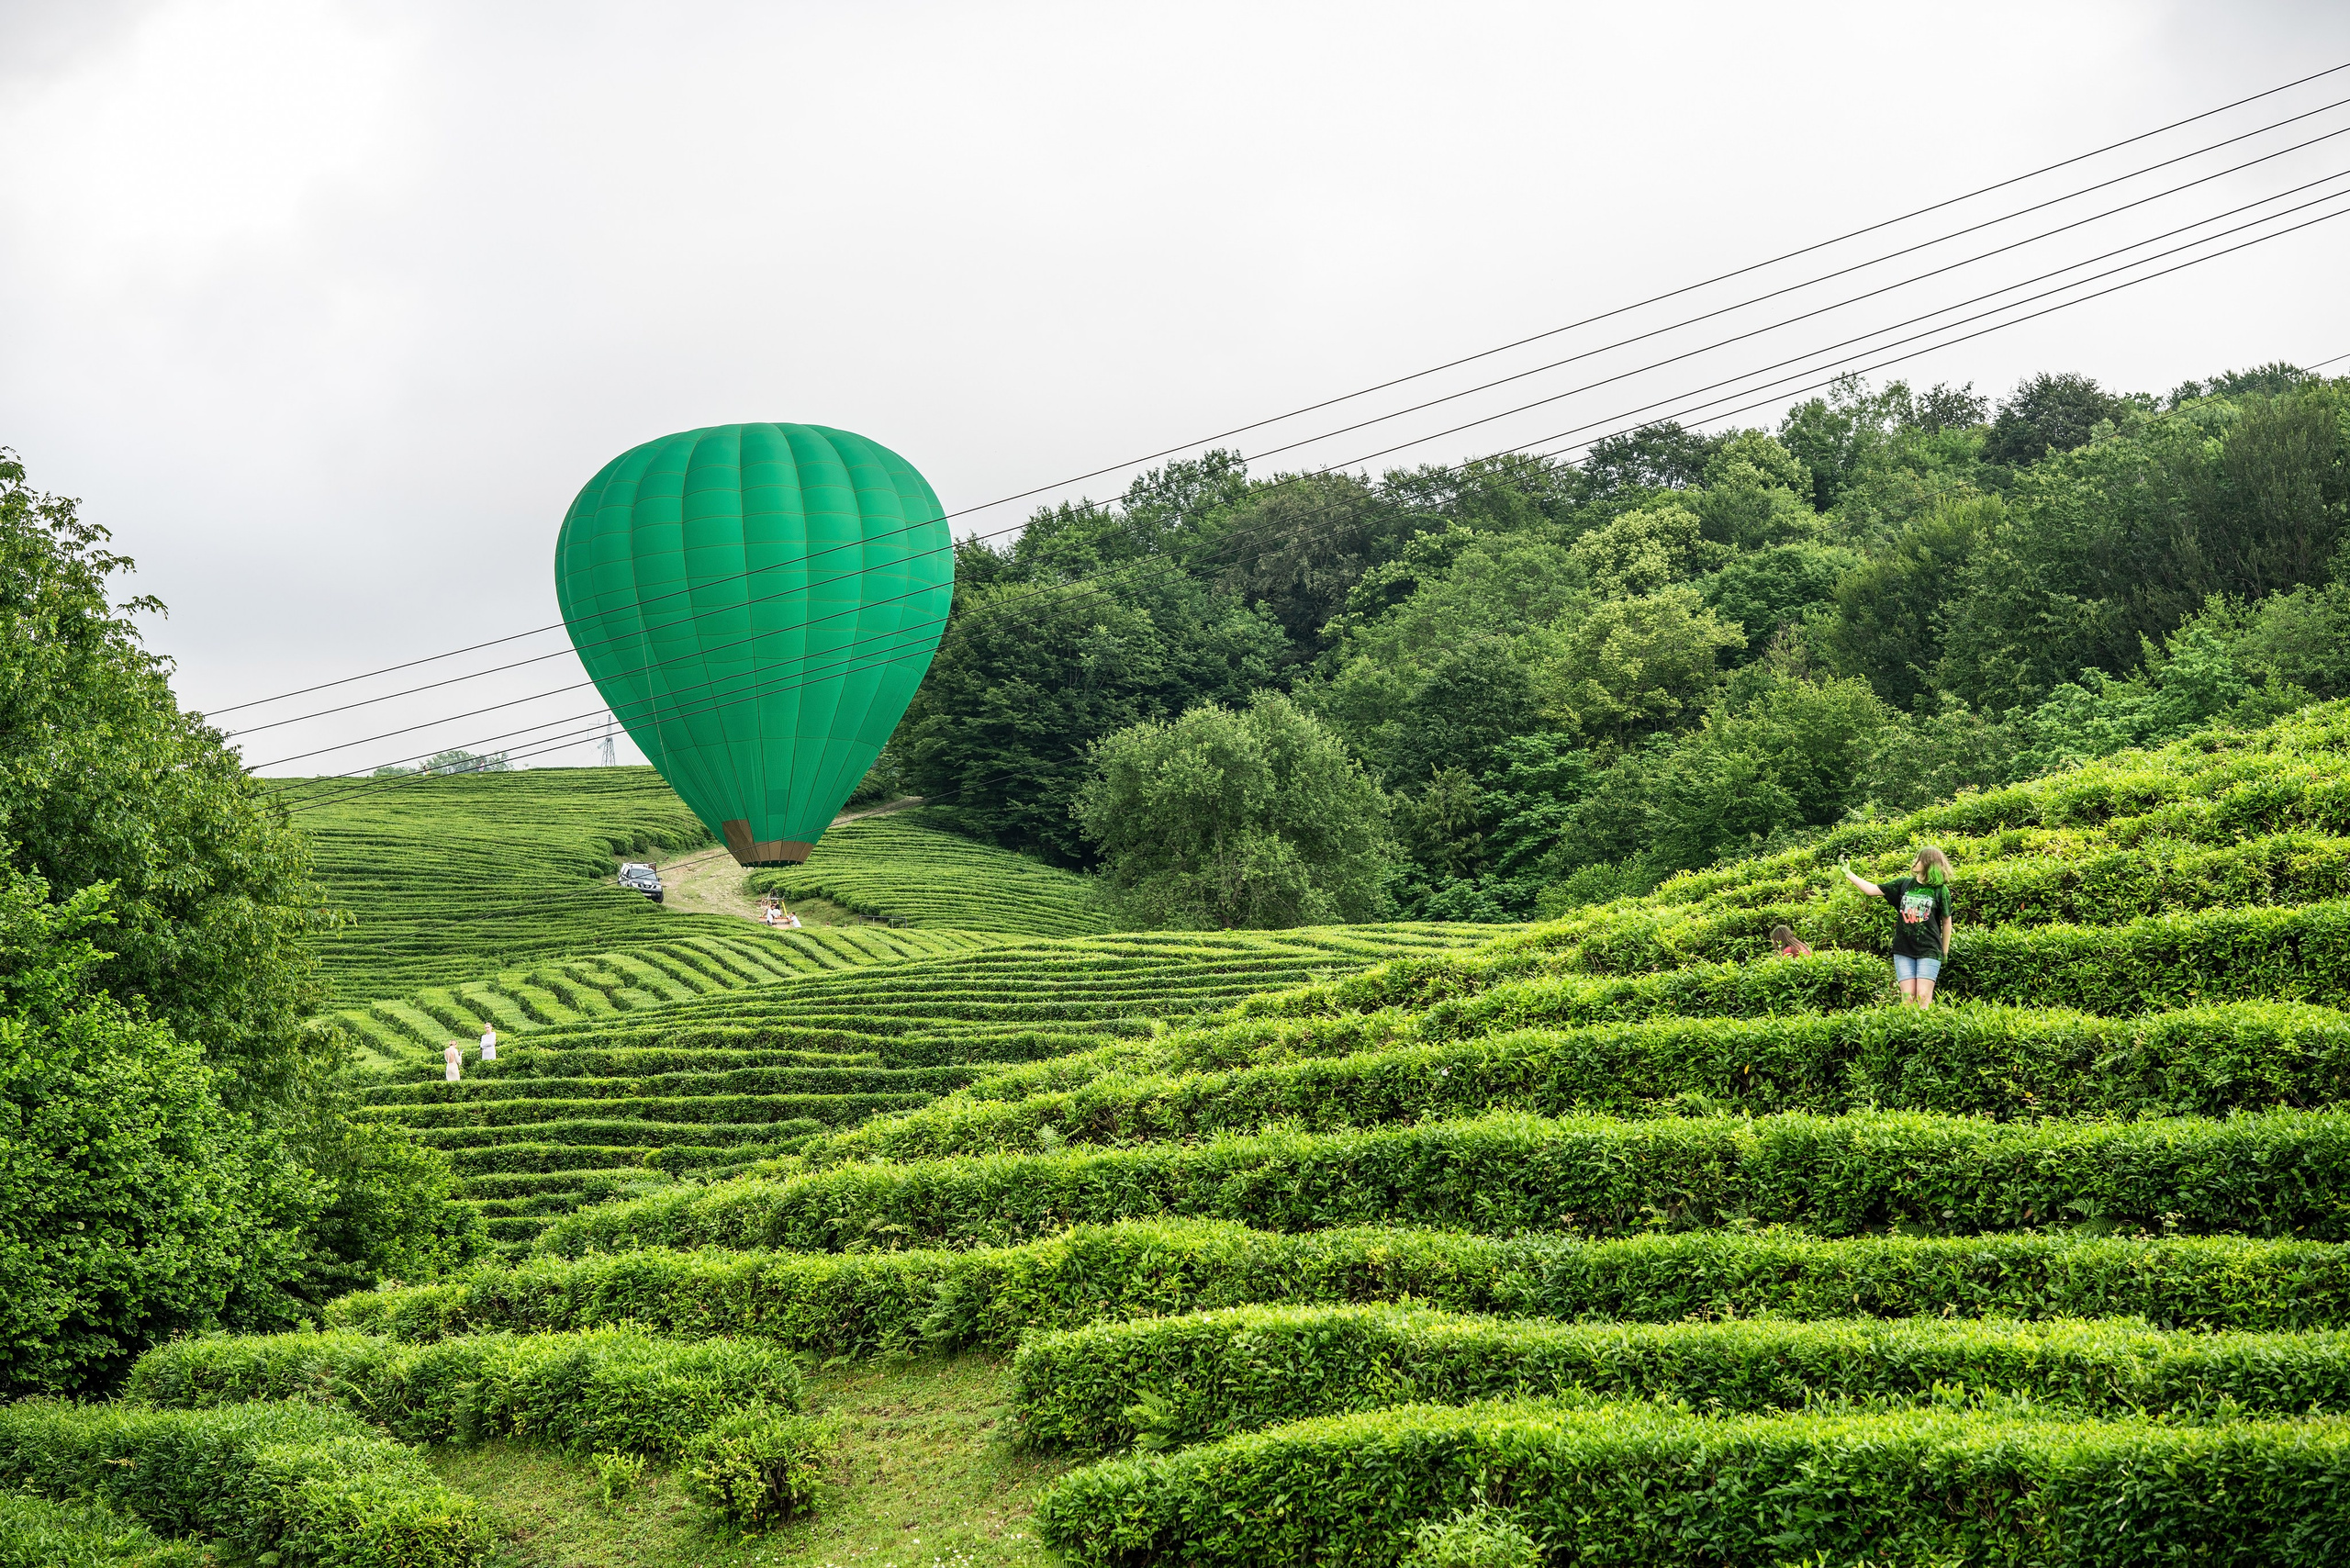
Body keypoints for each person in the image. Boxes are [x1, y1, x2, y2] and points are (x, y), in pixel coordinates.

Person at [1837, 846, 1955, 1007]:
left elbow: (1947, 921)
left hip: (1929, 949)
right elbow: (1872, 890)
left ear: (1928, 863)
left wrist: (1945, 951)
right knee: (1907, 998)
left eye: (1919, 859)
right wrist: (1848, 874)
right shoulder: (1904, 884)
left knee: (1923, 997)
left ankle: (1923, 1030)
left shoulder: (1941, 890)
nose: (1915, 862)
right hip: (1903, 949)